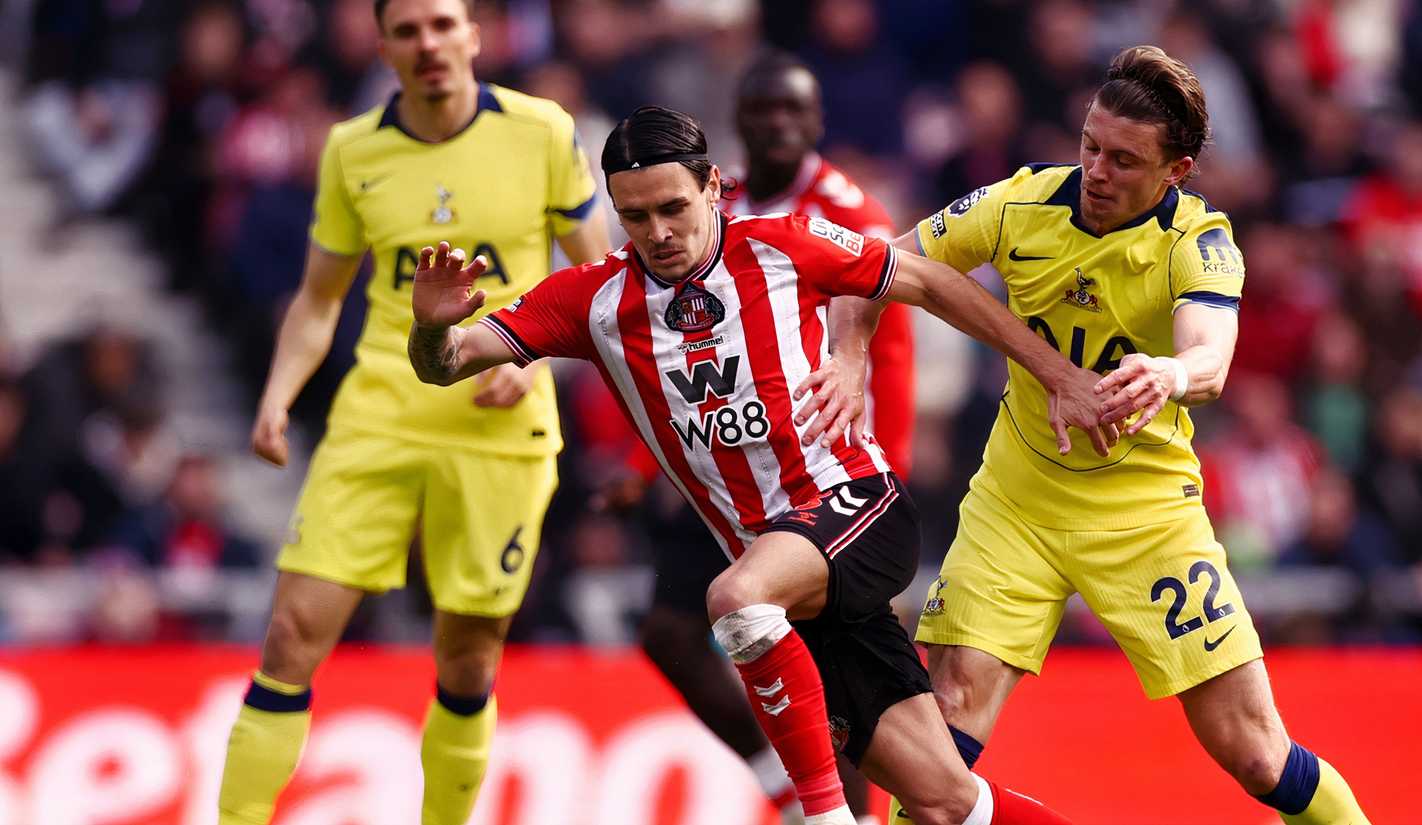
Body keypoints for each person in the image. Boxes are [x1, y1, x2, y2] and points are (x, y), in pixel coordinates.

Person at [408, 105, 1103, 825]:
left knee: (733, 598)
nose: (658, 233)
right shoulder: (593, 299)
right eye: (635, 216)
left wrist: (1059, 376)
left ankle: (822, 819)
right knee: (945, 803)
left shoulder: (786, 245)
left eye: (674, 207)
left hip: (856, 509)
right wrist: (431, 329)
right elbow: (449, 364)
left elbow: (928, 282)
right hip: (784, 588)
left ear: (714, 186)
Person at [872, 46, 1371, 824]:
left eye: (1125, 160)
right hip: (1018, 501)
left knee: (1253, 751)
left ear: (1177, 169)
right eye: (1090, 146)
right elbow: (886, 265)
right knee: (946, 724)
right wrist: (843, 359)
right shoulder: (1018, 204)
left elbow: (1210, 355)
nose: (1098, 171)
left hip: (1146, 516)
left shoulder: (1197, 241)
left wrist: (1170, 373)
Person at [216, 2, 609, 824]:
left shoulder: (542, 132)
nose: (427, 44)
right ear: (384, 44)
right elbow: (319, 299)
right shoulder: (351, 149)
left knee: (467, 658)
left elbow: (603, 284)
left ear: (476, 34)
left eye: (442, 24)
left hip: (499, 426)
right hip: (379, 417)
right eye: (408, 30)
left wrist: (534, 356)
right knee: (290, 635)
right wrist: (278, 395)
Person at [604, 52, 912, 824]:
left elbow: (889, 336)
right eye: (763, 110)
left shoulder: (844, 209)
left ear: (816, 123)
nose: (778, 123)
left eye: (793, 111)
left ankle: (852, 809)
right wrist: (648, 467)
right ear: (734, 127)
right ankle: (782, 780)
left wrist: (887, 467)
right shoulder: (699, 204)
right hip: (724, 471)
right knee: (668, 632)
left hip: (823, 472)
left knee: (825, 663)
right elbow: (683, 355)